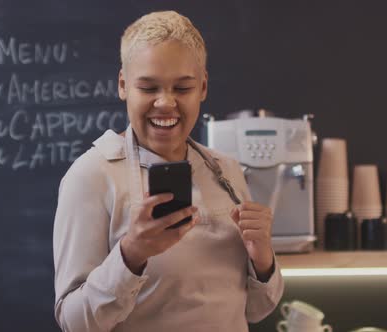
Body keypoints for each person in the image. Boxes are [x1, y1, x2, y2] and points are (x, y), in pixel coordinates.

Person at [53, 10, 284, 332]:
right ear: (123, 85)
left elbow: (257, 310)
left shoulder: (226, 171)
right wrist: (131, 255)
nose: (165, 103)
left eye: (182, 88)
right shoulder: (91, 176)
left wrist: (263, 262)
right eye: (148, 88)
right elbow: (74, 322)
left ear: (203, 87)